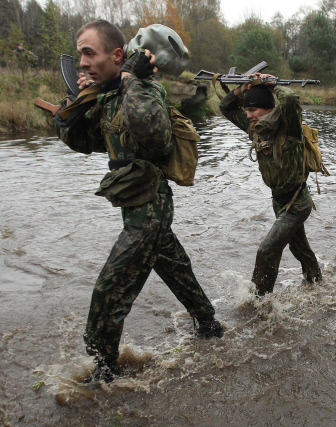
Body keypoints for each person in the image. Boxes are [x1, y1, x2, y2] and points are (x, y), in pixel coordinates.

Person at [54, 20, 223, 383]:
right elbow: (85, 142)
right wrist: (72, 106)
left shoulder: (146, 90)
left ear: (118, 55)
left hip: (150, 205)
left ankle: (103, 374)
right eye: (80, 52)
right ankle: (209, 324)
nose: (82, 61)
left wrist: (132, 81)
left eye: (89, 52)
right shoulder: (110, 94)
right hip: (134, 202)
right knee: (174, 266)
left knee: (110, 289)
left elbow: (157, 139)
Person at [219, 76, 322, 296]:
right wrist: (240, 90)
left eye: (253, 110)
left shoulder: (290, 126)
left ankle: (261, 302)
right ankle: (317, 282)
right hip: (279, 201)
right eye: (246, 110)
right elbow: (225, 108)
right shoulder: (256, 129)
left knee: (267, 250)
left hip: (297, 202)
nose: (248, 115)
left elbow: (292, 99)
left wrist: (272, 86)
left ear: (269, 109)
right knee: (298, 247)